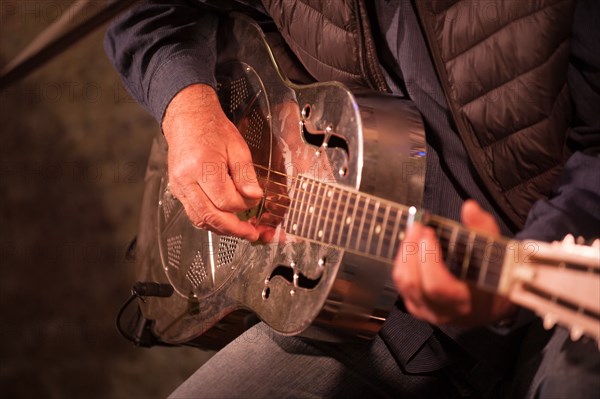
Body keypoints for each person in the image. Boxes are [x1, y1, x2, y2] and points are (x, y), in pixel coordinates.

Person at [105, 0, 600, 398]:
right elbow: (142, 13)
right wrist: (186, 107)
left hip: (550, 280)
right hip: (366, 300)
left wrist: (512, 279)